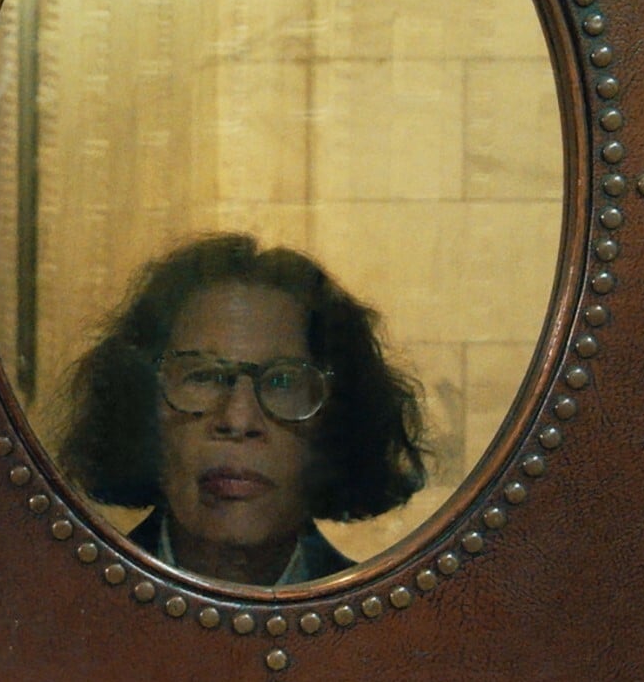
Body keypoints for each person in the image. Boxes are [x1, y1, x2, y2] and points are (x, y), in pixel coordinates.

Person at [56, 233, 428, 586]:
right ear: (140, 404)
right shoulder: (69, 604)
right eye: (203, 376)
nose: (237, 420)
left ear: (335, 418)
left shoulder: (383, 620)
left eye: (282, 381)